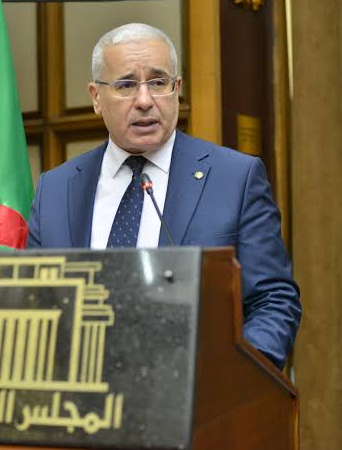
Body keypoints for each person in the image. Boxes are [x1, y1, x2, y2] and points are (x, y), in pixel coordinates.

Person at [26, 23, 301, 370]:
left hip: (200, 394)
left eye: (158, 83)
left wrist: (231, 379)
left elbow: (273, 301)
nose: (145, 101)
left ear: (176, 89)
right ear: (96, 97)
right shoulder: (55, 189)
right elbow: (34, 306)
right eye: (126, 85)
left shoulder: (235, 178)